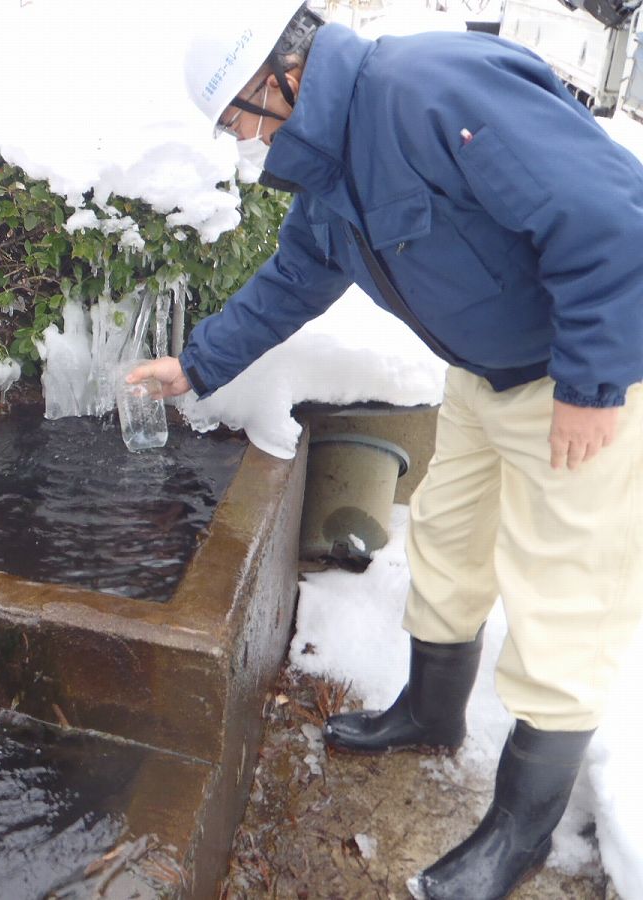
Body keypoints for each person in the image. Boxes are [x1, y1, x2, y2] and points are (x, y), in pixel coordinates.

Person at [129, 3, 643, 898]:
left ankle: (521, 834)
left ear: (280, 78)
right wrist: (198, 362)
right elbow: (295, 277)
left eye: (239, 120)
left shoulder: (426, 90)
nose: (244, 142)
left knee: (565, 589)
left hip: (578, 377)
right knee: (446, 534)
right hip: (485, 378)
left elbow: (606, 216)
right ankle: (430, 711)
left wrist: (595, 385)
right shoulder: (332, 163)